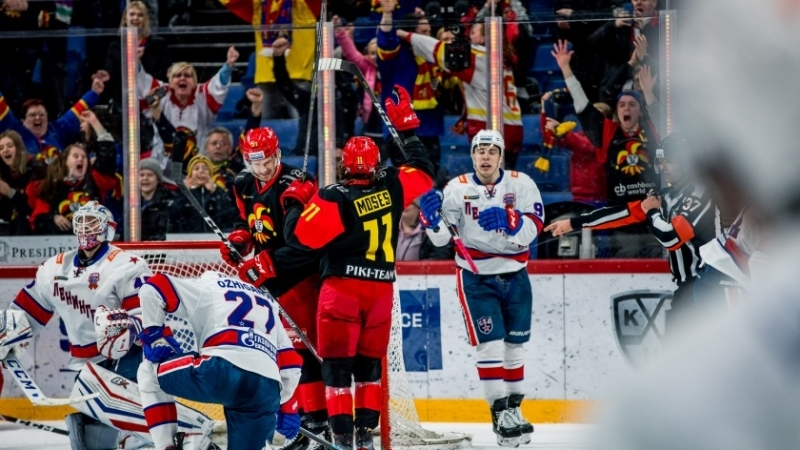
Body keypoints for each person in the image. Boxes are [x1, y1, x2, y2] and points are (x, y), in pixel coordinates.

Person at [291, 85, 434, 450]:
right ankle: (365, 439)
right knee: (369, 371)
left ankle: (340, 439)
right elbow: (424, 170)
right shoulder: (393, 183)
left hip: (341, 292)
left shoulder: (334, 196)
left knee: (337, 372)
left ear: (343, 165)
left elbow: (301, 240)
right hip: (381, 293)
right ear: (375, 165)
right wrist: (407, 132)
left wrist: (298, 202)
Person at [418, 129, 544, 447]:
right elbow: (441, 238)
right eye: (480, 151)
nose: (485, 156)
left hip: (516, 274)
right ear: (472, 155)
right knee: (490, 345)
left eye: (491, 151)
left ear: (501, 156)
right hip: (476, 277)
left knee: (515, 347)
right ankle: (498, 412)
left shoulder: (522, 183)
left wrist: (511, 220)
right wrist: (430, 220)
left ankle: (514, 410)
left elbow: (534, 228)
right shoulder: (456, 189)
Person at [0, 201, 153, 449]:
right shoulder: (55, 268)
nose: (85, 227)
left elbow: (144, 316)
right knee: (86, 437)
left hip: (128, 359)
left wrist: (129, 327)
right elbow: (27, 313)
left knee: (125, 426)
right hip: (87, 365)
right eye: (81, 221)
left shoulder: (126, 264)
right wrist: (8, 332)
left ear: (108, 228)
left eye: (93, 221)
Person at [221, 125, 326, 450]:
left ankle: (320, 426)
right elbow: (246, 223)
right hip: (269, 281)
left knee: (306, 352)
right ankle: (308, 425)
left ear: (278, 153)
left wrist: (268, 264)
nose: (263, 168)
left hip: (301, 274)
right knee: (283, 353)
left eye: (268, 160)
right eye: (256, 163)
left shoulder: (296, 182)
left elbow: (306, 242)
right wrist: (239, 239)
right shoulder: (242, 183)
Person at [545, 135, 718, 332]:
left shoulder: (701, 193)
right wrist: (573, 223)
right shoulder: (668, 196)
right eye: (661, 162)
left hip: (707, 288)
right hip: (688, 290)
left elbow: (671, 238)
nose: (662, 167)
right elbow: (621, 214)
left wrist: (652, 211)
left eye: (668, 161)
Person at [136, 271, 302, 450]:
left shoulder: (208, 285)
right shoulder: (268, 302)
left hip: (221, 370)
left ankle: (166, 446)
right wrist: (286, 403)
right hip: (265, 390)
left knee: (148, 372)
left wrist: (154, 336)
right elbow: (291, 364)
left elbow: (153, 287)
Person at [552, 39, 661, 257]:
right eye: (622, 105)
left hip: (655, 213)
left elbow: (660, 115)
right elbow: (583, 103)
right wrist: (566, 69)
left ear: (641, 111)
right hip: (622, 217)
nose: (626, 108)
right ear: (617, 112)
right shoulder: (608, 134)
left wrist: (648, 92)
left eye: (632, 105)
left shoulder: (652, 129)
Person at [398, 22, 524, 169]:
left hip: (494, 127)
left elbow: (437, 49)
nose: (469, 37)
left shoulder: (479, 57)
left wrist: (404, 34)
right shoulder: (498, 57)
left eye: (473, 33)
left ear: (483, 38)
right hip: (512, 126)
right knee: (502, 180)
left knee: (492, 184)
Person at [137, 47, 239, 153]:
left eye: (187, 75)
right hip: (163, 161)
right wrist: (136, 61)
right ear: (170, 82)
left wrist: (228, 65)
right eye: (177, 75)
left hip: (197, 164)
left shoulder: (202, 94)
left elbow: (218, 84)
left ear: (194, 82)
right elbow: (143, 84)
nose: (182, 78)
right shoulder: (162, 91)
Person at [27, 142, 122, 236]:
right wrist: (53, 218)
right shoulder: (51, 186)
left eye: (84, 157)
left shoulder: (95, 180)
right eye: (75, 156)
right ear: (65, 161)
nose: (80, 159)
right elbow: (38, 219)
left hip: (92, 240)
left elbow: (107, 158)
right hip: (59, 243)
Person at [0, 73, 107, 156]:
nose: (38, 117)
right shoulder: (14, 131)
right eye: (32, 115)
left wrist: (94, 92)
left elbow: (77, 111)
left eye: (42, 114)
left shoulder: (57, 129)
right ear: (23, 120)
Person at [169, 153, 234, 233]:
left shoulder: (219, 192)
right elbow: (172, 215)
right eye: (196, 169)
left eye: (205, 169)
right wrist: (185, 192)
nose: (201, 171)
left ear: (210, 174)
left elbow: (230, 215)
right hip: (189, 241)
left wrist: (214, 192)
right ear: (190, 174)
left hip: (214, 240)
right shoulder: (182, 194)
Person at [0, 130, 34, 235]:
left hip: (29, 225)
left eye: (10, 146)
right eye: (1, 148)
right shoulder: (3, 172)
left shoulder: (34, 168)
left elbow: (31, 206)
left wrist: (10, 192)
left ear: (19, 148)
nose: (5, 150)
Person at [140, 157, 175, 241]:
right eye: (141, 175)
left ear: (158, 179)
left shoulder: (169, 201)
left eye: (150, 175)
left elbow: (167, 232)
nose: (145, 178)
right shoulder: (128, 202)